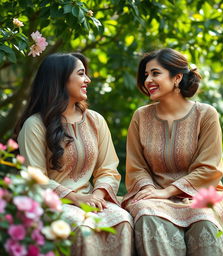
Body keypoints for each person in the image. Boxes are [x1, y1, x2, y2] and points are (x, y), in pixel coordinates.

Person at [15, 52, 134, 256]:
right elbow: (35, 179)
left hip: (92, 199)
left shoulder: (95, 121)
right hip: (54, 204)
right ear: (60, 79)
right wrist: (75, 198)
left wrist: (96, 196)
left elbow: (108, 169)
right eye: (81, 74)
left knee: (123, 220)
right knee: (83, 227)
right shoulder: (34, 125)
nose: (87, 79)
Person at [121, 48, 223, 256]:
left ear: (177, 78)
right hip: (154, 197)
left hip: (201, 195)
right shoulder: (141, 117)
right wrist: (150, 192)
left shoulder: (206, 115)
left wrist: (169, 191)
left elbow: (209, 168)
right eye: (146, 75)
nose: (148, 80)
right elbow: (136, 167)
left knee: (205, 221)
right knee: (146, 215)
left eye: (155, 73)